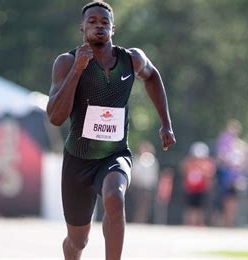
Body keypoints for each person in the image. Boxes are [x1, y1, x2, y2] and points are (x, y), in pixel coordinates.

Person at [46, 1, 176, 259]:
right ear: (81, 28)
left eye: (104, 22)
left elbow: (152, 76)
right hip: (78, 159)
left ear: (113, 29)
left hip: (114, 153)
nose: (98, 26)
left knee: (115, 197)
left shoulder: (131, 59)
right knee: (77, 241)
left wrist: (166, 124)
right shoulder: (66, 62)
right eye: (92, 22)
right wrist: (77, 70)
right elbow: (55, 117)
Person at [181, 142, 216, 226]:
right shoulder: (189, 163)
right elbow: (184, 172)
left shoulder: (207, 163)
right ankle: (190, 224)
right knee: (190, 208)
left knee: (201, 209)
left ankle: (199, 224)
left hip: (202, 190)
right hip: (191, 190)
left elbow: (210, 176)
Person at [128, 141, 159, 223]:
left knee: (145, 205)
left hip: (147, 187)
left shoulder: (153, 161)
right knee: (138, 204)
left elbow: (153, 175)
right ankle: (137, 220)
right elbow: (134, 173)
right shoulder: (137, 160)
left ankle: (141, 220)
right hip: (138, 187)